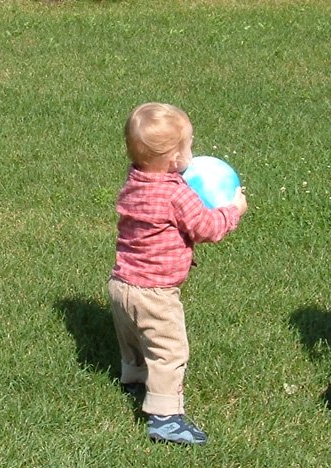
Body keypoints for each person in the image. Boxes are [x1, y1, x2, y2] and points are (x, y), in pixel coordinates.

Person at [107, 102, 247, 445]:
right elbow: (207, 228)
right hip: (156, 292)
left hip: (122, 283)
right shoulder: (176, 193)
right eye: (189, 147)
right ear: (174, 160)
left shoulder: (135, 179)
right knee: (169, 350)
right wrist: (234, 210)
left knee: (133, 337)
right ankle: (165, 418)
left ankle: (135, 377)